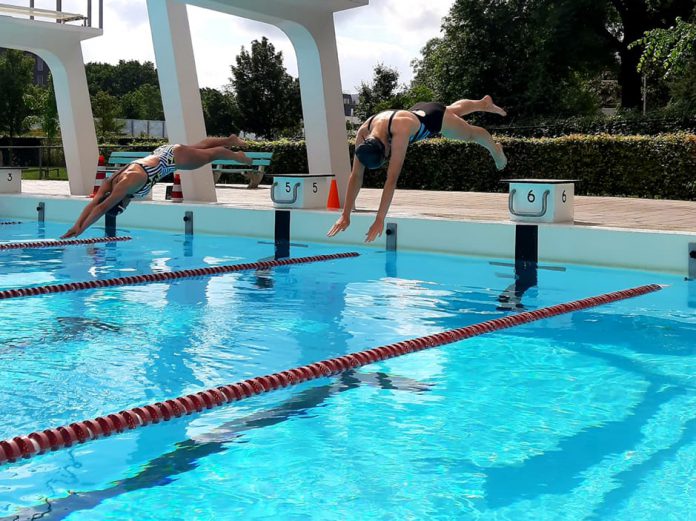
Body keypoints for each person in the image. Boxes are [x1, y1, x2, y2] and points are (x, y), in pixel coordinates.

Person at [327, 96, 508, 242]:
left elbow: (391, 179)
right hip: (420, 110)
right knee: (453, 110)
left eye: (386, 156)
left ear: (385, 147)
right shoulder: (363, 133)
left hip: (433, 119)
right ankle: (483, 103)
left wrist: (380, 219)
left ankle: (496, 150)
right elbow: (356, 175)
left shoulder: (400, 130)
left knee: (470, 133)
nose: (389, 157)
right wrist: (345, 214)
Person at [61, 135, 251, 239]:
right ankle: (230, 140)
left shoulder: (126, 184)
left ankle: (237, 155)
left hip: (173, 158)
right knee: (200, 147)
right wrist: (76, 225)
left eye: (123, 207)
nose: (127, 206)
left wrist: (82, 231)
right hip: (164, 152)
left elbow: (102, 208)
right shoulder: (110, 183)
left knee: (211, 155)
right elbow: (94, 203)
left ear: (120, 204)